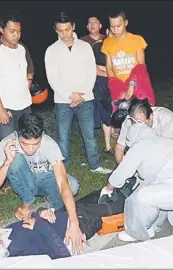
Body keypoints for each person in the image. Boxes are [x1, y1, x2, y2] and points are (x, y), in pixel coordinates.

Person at [0, 113, 84, 255]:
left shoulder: (48, 144)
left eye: (35, 144)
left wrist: (74, 223)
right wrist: (7, 161)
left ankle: (46, 207)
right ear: (17, 135)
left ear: (42, 136)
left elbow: (63, 183)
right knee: (16, 161)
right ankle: (28, 202)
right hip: (25, 182)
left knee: (73, 186)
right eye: (25, 144)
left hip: (45, 179)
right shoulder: (7, 144)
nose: (30, 149)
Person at [44, 12, 112, 174]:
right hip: (62, 100)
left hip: (85, 98)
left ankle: (95, 165)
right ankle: (63, 169)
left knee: (89, 134)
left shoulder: (84, 46)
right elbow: (52, 78)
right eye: (60, 30)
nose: (64, 34)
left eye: (67, 29)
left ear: (73, 27)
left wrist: (82, 93)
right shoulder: (51, 50)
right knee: (63, 137)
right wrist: (69, 94)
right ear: (55, 30)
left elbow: (90, 72)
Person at [0, 11, 34, 143]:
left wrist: (27, 84)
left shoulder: (22, 48)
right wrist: (0, 109)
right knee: (9, 146)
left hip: (24, 106)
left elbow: (30, 68)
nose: (16, 35)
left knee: (27, 142)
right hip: (5, 108)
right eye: (12, 31)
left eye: (18, 31)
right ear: (1, 29)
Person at [114, 98, 173, 164]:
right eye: (136, 123)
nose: (139, 127)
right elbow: (120, 147)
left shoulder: (167, 119)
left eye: (142, 124)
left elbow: (169, 151)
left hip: (172, 151)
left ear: (151, 116)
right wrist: (123, 170)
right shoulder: (129, 121)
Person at [101, 10, 148, 109]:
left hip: (137, 87)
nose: (115, 30)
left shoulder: (137, 40)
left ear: (126, 23)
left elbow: (141, 66)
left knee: (141, 118)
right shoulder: (107, 42)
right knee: (120, 120)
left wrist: (131, 86)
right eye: (112, 27)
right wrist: (117, 89)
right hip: (119, 90)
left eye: (118, 26)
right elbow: (109, 68)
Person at [81, 16, 114, 154]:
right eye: (89, 23)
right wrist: (105, 73)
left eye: (95, 22)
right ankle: (92, 144)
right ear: (87, 27)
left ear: (100, 25)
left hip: (110, 79)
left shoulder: (108, 39)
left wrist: (110, 73)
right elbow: (85, 64)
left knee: (110, 109)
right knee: (92, 112)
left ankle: (109, 143)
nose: (92, 25)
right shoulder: (82, 42)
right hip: (90, 81)